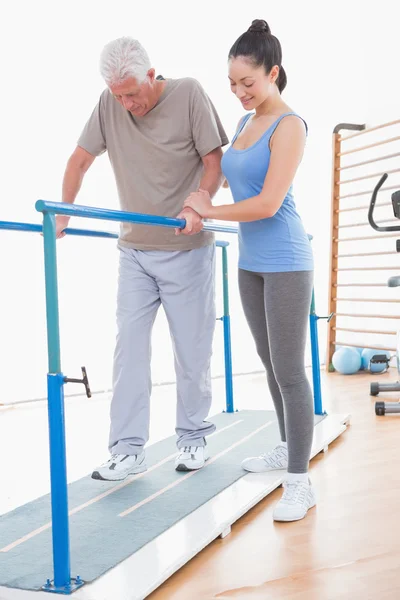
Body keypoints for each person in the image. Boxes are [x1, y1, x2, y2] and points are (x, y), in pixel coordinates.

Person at [56, 36, 228, 480]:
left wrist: (196, 206)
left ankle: (193, 438)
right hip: (134, 252)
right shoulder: (108, 103)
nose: (127, 103)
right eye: (119, 95)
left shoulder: (188, 93)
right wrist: (64, 212)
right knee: (129, 351)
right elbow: (78, 161)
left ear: (152, 76)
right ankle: (127, 449)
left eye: (132, 92)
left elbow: (214, 163)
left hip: (186, 250)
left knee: (191, 353)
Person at [184, 19, 315, 522]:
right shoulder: (244, 124)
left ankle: (300, 484)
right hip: (251, 262)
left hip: (284, 259)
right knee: (268, 363)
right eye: (232, 84)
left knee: (290, 372)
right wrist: (203, 201)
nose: (238, 93)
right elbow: (228, 183)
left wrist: (205, 211)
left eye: (248, 83)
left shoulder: (290, 125)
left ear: (274, 73)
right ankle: (287, 448)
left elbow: (266, 203)